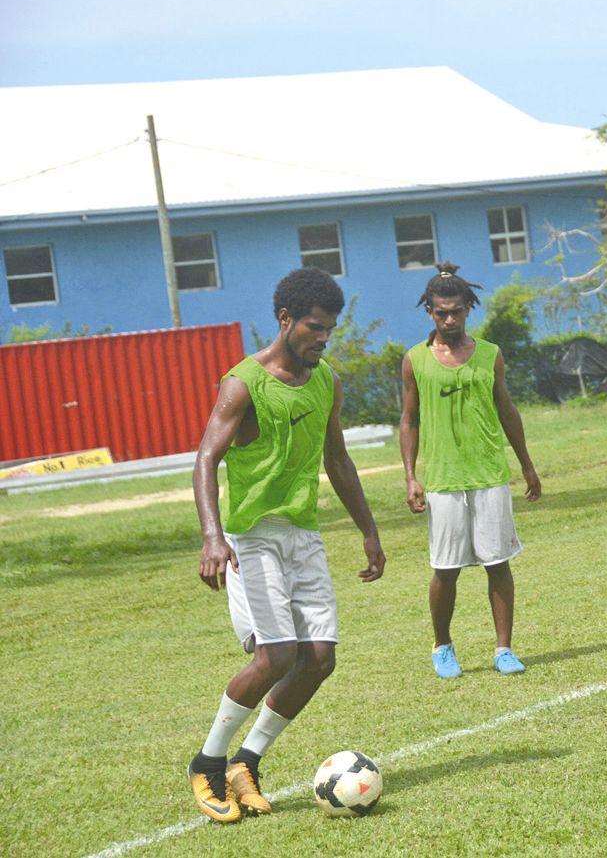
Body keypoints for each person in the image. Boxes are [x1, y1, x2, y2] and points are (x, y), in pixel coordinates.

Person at [188, 267, 386, 823]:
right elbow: (206, 457)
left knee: (319, 658)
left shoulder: (327, 381)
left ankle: (245, 762)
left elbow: (338, 459)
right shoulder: (244, 382)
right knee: (275, 656)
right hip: (250, 537)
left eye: (330, 330)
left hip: (302, 534)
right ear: (286, 321)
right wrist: (212, 536)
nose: (324, 339)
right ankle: (206, 763)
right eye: (316, 328)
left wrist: (368, 530)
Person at [399, 262, 541, 680]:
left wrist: (526, 465)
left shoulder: (490, 355)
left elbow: (507, 409)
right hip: (443, 480)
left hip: (490, 475)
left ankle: (504, 649)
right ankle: (442, 646)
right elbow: (409, 420)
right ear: (429, 311)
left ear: (468, 309)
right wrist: (410, 475)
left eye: (456, 311)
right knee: (445, 569)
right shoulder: (415, 361)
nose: (449, 319)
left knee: (498, 562)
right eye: (441, 312)